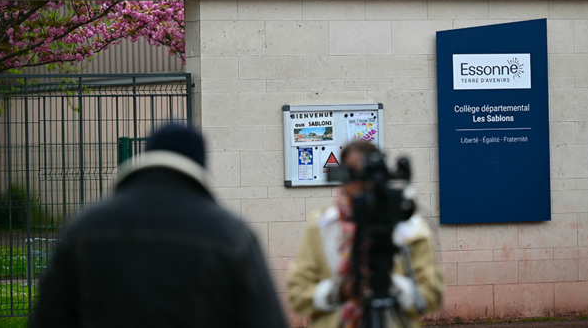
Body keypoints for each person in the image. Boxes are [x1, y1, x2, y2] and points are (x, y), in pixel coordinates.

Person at [31, 123, 287, 328]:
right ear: (200, 166)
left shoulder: (84, 229)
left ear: (148, 156)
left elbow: (48, 318)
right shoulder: (231, 235)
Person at [287, 140, 443, 328]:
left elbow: (431, 295)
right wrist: (340, 291)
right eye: (353, 174)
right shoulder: (321, 227)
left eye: (367, 175)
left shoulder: (411, 229)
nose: (360, 184)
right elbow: (298, 294)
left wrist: (387, 286)